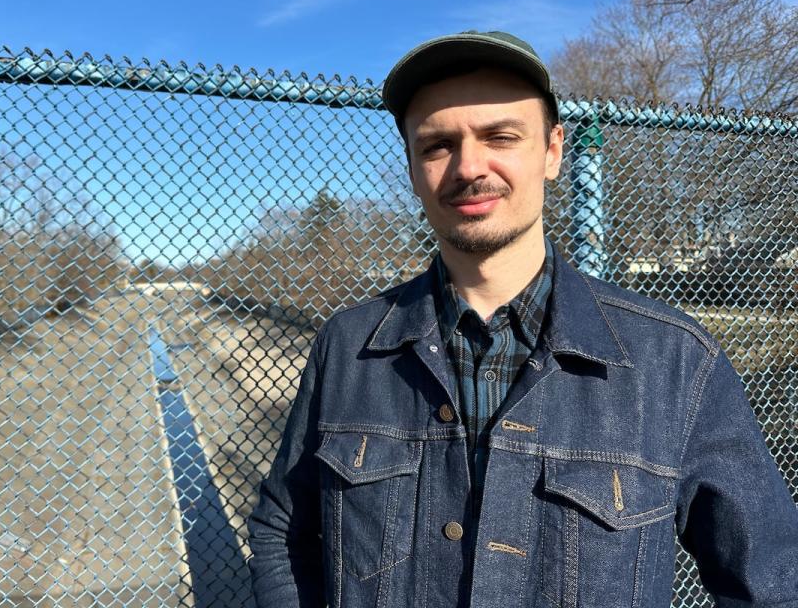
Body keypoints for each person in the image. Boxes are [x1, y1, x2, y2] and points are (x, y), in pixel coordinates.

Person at [246, 30, 798, 608]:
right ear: (412, 170)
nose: (468, 166)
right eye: (437, 145)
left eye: (501, 136)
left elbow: (769, 580)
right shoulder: (349, 345)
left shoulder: (675, 360)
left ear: (553, 151)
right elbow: (283, 528)